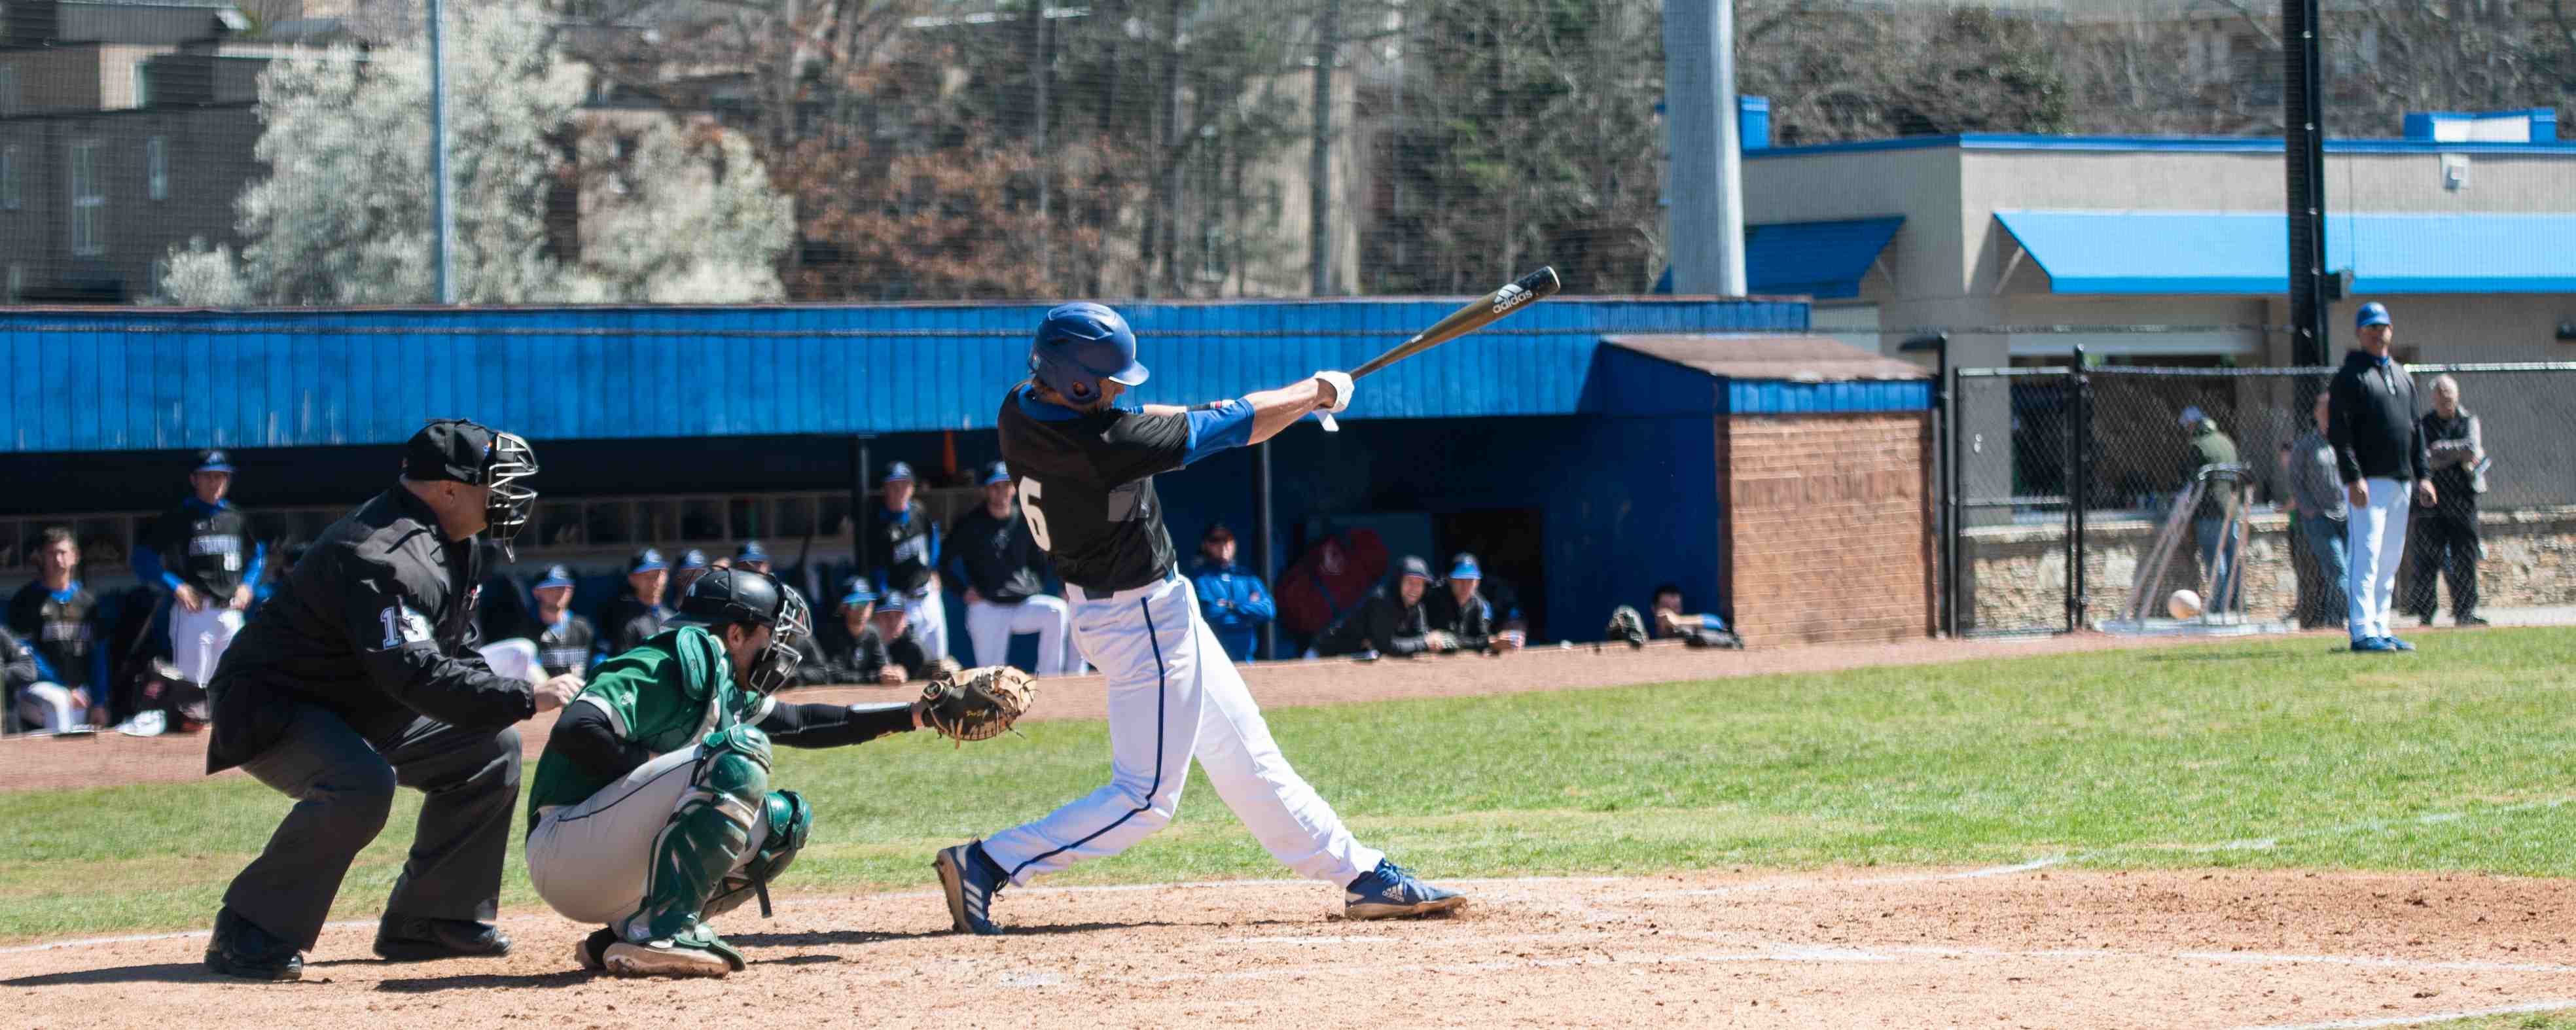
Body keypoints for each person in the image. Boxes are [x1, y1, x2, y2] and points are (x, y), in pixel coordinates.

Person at [934, 302, 1464, 936]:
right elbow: (1230, 425)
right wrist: (1314, 391)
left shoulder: (1023, 406)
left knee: (1248, 752)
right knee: (1146, 797)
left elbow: (1168, 417)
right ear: (1076, 380)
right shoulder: (1105, 446)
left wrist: (1297, 402)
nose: (1119, 389)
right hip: (1140, 620)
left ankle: (1362, 874)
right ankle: (990, 861)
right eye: (1108, 379)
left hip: (1136, 608)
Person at [199, 419, 581, 982]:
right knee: (361, 782)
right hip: (273, 707)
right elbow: (414, 673)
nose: (510, 498)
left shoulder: (456, 543)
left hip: (362, 704)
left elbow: (456, 652)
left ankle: (431, 918)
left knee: (491, 750)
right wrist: (525, 694)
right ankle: (249, 929)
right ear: (449, 490)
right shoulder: (381, 553)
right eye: (497, 484)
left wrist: (503, 701)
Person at [524, 567, 940, 977]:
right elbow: (575, 727)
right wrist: (658, 771)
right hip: (564, 845)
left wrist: (917, 715)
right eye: (769, 635)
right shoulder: (662, 661)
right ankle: (663, 933)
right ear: (736, 635)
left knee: (784, 824)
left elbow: (802, 723)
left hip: (603, 857)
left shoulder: (720, 682)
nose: (777, 649)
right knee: (738, 752)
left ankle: (633, 930)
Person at [2329, 302, 2436, 653]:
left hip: (2402, 480)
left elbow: (2416, 430)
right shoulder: (2350, 376)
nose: (2379, 333)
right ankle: (2361, 631)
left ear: (2391, 331)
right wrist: (2353, 477)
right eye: (2371, 327)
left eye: (2383, 327)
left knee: (2390, 556)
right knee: (2367, 554)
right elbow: (2340, 433)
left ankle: (2381, 626)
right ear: (2360, 333)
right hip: (2368, 482)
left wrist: (2424, 475)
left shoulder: (2402, 375)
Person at [137, 450, 264, 692]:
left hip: (231, 612)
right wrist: (176, 585)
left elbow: (258, 554)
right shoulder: (180, 516)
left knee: (231, 687)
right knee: (193, 692)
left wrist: (248, 584)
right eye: (208, 476)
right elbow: (142, 558)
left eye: (221, 476)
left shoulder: (237, 516)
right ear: (194, 479)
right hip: (195, 611)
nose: (215, 482)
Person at [947, 461, 1079, 675]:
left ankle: (1050, 679)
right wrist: (961, 591)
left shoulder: (1026, 519)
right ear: (986, 490)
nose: (1001, 493)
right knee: (990, 677)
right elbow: (945, 563)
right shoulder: (970, 524)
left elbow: (1046, 558)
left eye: (1006, 486)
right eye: (995, 487)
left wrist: (1040, 584)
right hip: (987, 606)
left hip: (1021, 603)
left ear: (1014, 488)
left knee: (1057, 611)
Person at [2407, 374, 2488, 628]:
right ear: (2434, 398)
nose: (2445, 398)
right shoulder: (2425, 423)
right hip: (2431, 501)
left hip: (2463, 498)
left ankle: (2466, 611)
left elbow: (2473, 448)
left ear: (2457, 395)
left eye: (2449, 393)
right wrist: (2455, 453)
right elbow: (2424, 457)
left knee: (2465, 556)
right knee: (2428, 557)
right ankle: (2425, 613)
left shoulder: (2468, 420)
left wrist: (2441, 449)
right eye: (2440, 394)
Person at [9, 527, 108, 728]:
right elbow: (27, 655)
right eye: (51, 553)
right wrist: (64, 687)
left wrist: (100, 702)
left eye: (63, 553)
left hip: (79, 691)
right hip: (35, 689)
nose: (58, 559)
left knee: (84, 729)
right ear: (42, 558)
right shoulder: (25, 600)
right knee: (59, 701)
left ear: (75, 556)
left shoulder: (89, 602)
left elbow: (99, 655)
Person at [868, 462, 950, 664]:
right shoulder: (880, 525)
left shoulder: (919, 512)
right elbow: (878, 569)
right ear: (885, 489)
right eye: (893, 486)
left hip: (929, 594)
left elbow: (933, 539)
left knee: (940, 659)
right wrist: (888, 603)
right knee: (914, 661)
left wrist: (933, 570)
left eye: (904, 485)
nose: (899, 491)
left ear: (912, 488)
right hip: (905, 602)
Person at [2285, 392, 2350, 630]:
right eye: (2325, 410)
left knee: (2345, 571)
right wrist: (2308, 509)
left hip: (2347, 515)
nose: (2329, 415)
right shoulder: (2306, 446)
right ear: (2316, 414)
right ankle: (2355, 616)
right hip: (2319, 519)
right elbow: (2295, 480)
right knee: (2338, 568)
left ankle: (2334, 619)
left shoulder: (2347, 441)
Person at [1310, 556, 1456, 659]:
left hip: (1354, 661)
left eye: (1420, 584)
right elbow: (1388, 647)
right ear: (1399, 582)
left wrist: (1436, 641)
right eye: (1410, 582)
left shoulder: (1417, 606)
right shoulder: (1383, 601)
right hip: (1325, 655)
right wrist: (1425, 642)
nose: (1415, 588)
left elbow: (1418, 637)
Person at [2177, 406, 2242, 614]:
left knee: (2215, 558)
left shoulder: (2199, 446)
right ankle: (2237, 603)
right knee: (2233, 558)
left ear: (2192, 425)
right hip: (2232, 508)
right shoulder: (2226, 441)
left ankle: (2219, 606)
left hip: (2210, 509)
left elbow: (2192, 483)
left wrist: (2183, 508)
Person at [1187, 524, 1274, 663]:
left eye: (1227, 539)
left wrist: (1231, 606)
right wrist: (1249, 617)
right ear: (1206, 545)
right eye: (1215, 540)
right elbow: (1210, 616)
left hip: (1246, 662)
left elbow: (1268, 610)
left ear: (1234, 544)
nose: (1222, 545)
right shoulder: (1200, 579)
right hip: (1213, 663)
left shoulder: (1247, 577)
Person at [1425, 554, 1520, 655]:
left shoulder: (1478, 603)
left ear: (1478, 582)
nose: (1465, 586)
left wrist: (1501, 641)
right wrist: (1489, 643)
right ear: (1449, 579)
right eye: (1460, 580)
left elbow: (1482, 637)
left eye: (1471, 580)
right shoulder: (1435, 598)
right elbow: (1445, 640)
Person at [597, 548, 674, 659]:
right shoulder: (623, 620)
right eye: (647, 576)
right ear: (632, 579)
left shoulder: (671, 617)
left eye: (658, 575)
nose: (654, 582)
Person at [529, 565, 598, 679]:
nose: (558, 593)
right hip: (543, 693)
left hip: (581, 692)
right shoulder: (527, 631)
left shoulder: (585, 627)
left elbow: (599, 661)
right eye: (550, 588)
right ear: (536, 592)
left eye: (563, 588)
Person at [853, 593, 935, 684]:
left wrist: (904, 675)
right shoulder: (860, 642)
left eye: (898, 616)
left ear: (905, 620)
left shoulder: (916, 650)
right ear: (873, 618)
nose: (892, 622)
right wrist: (876, 676)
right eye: (886, 615)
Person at [1648, 583, 1740, 648]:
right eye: (1666, 607)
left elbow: (1718, 623)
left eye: (1676, 607)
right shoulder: (1647, 634)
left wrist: (1678, 620)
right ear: (1654, 609)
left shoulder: (1685, 633)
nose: (1671, 613)